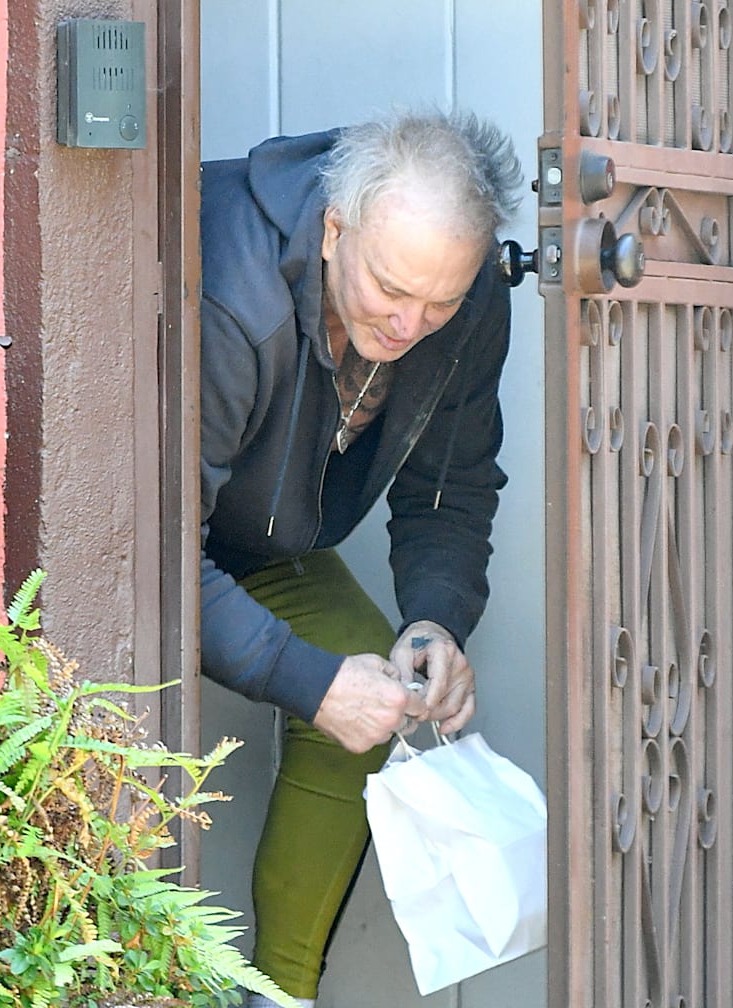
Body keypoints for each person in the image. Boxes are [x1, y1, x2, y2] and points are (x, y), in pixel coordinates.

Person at [200, 108, 523, 1007]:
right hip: (147, 536)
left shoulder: (460, 299)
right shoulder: (233, 290)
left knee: (371, 677)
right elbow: (144, 548)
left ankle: (279, 994)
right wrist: (301, 678)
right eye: (390, 289)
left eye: (440, 302)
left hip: (266, 543)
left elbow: (451, 486)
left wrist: (436, 618)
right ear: (336, 227)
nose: (410, 322)